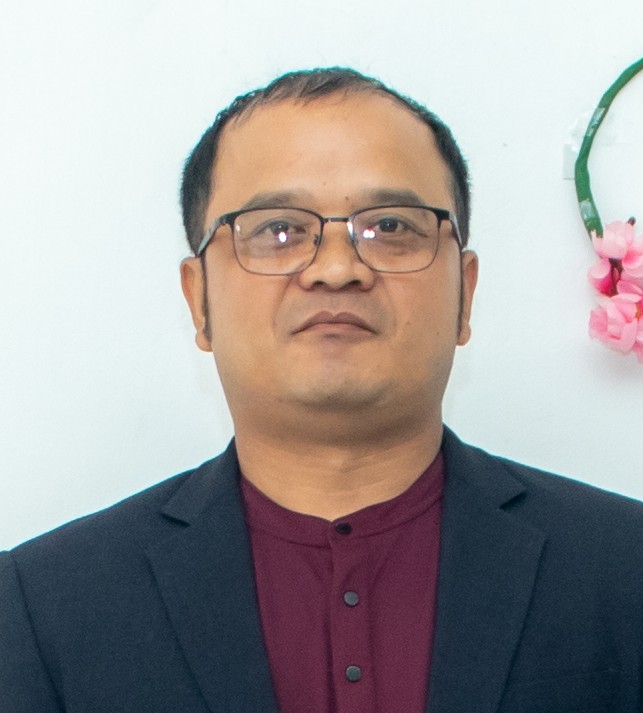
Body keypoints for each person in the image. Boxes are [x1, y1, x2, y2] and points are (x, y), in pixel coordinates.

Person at [1, 67, 642, 713]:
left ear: (464, 294)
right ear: (198, 300)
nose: (336, 269)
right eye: (276, 229)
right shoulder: (42, 605)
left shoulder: (624, 568)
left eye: (391, 226)